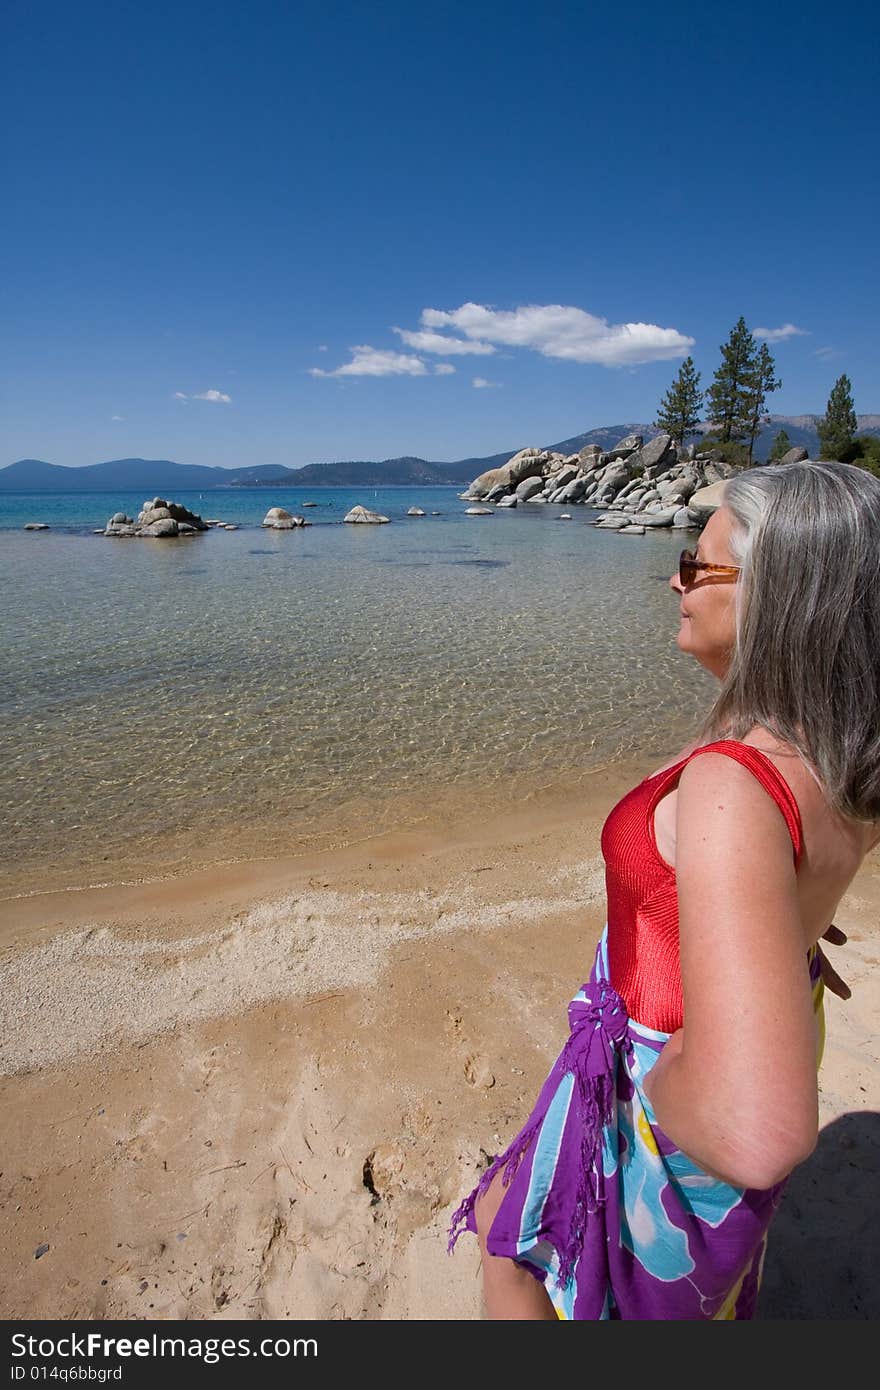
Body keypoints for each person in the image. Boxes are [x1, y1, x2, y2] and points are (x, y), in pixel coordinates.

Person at [448, 459, 880, 1320]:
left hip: (665, 1067)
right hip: (772, 1009)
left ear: (776, 597)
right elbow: (797, 871)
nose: (673, 579)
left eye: (698, 566)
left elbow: (758, 1130)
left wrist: (646, 1082)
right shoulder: (839, 749)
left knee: (520, 1252)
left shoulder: (735, 782)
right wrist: (779, 936)